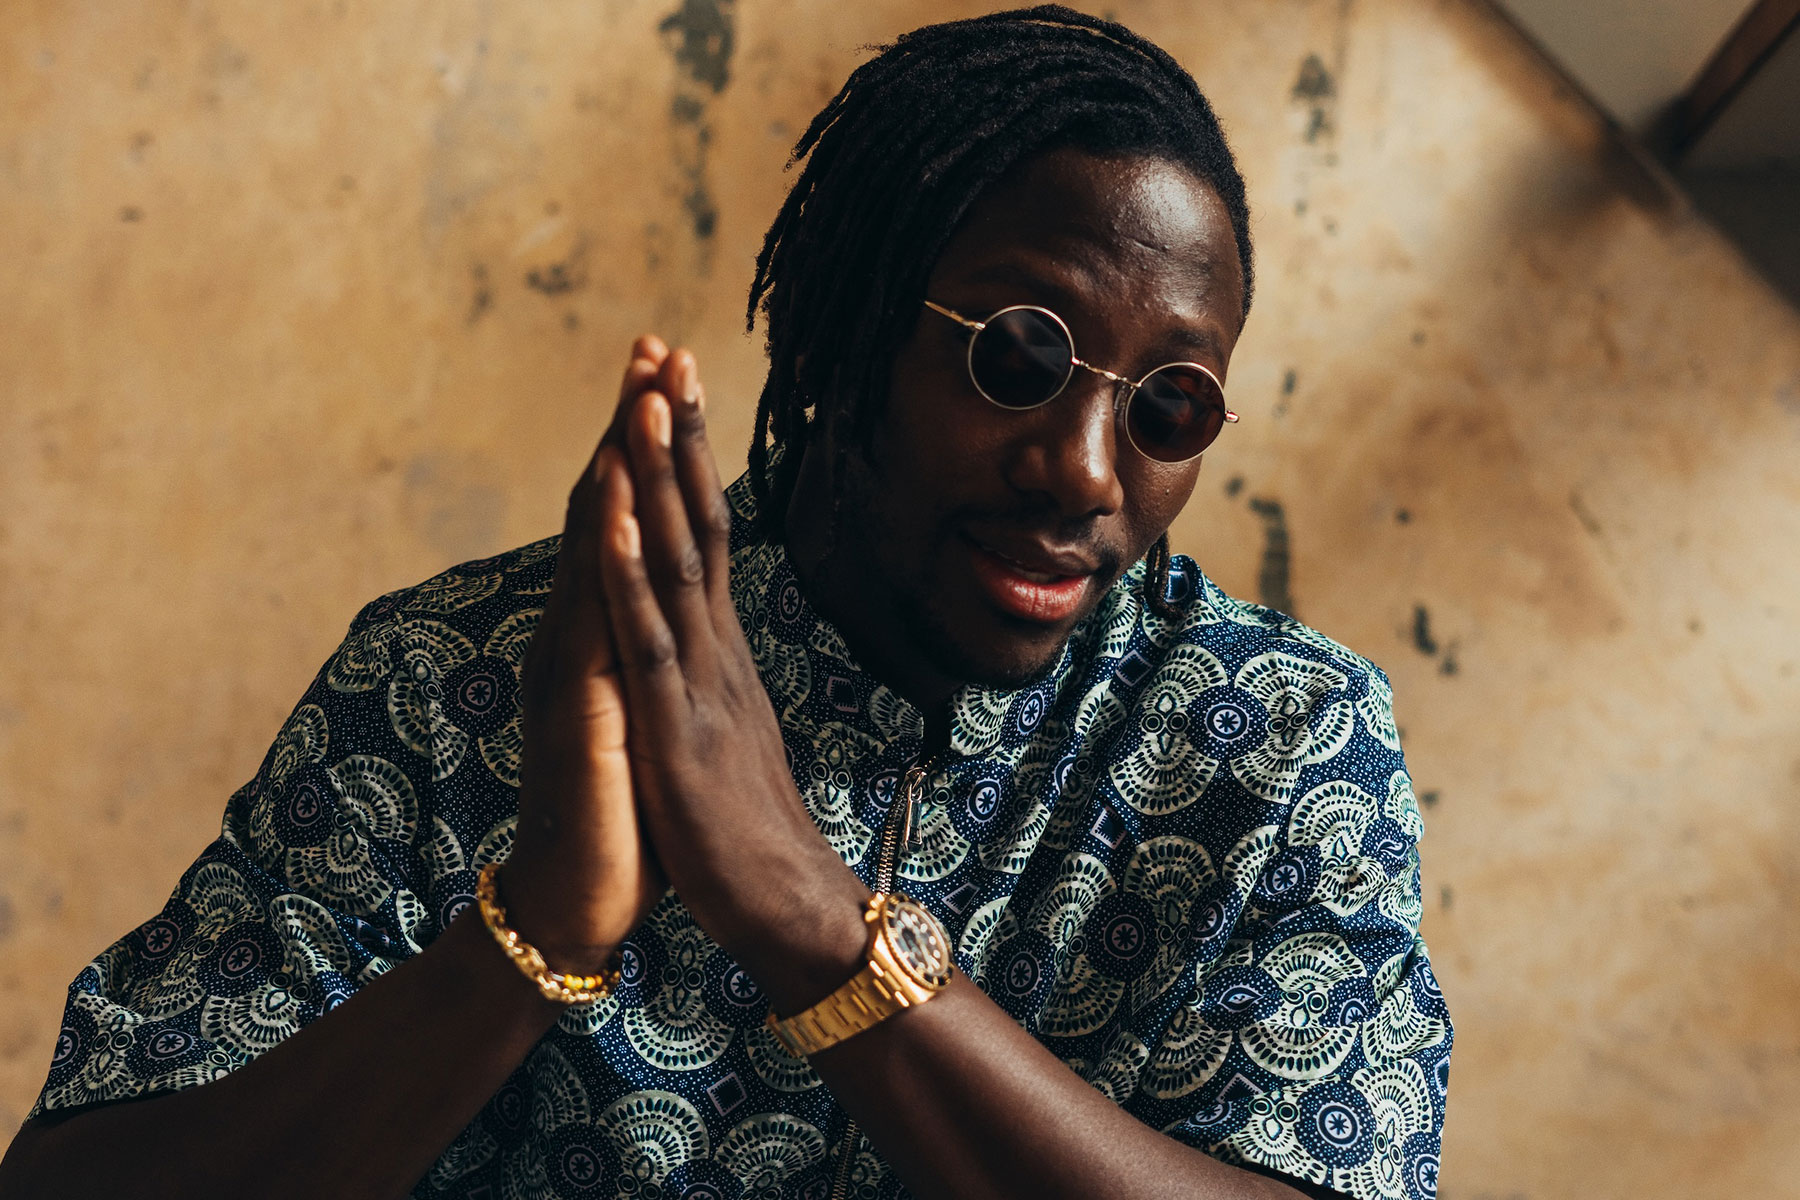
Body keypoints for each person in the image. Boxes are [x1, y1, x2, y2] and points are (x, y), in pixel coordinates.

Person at [0, 7, 1450, 1199]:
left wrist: (816, 920)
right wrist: (534, 931)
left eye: (1169, 407)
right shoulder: (460, 678)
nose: (1084, 469)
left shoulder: (1281, 747)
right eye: (1017, 357)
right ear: (839, 330)